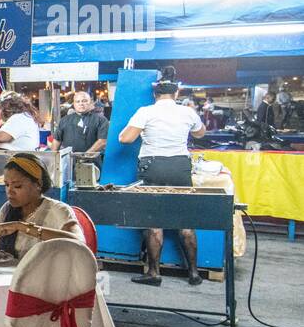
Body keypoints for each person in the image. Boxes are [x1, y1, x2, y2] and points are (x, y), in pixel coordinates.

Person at [118, 68, 206, 285]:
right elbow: (200, 133)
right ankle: (194, 273)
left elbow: (125, 139)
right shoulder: (187, 111)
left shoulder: (146, 111)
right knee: (185, 221)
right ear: (176, 94)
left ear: (155, 95)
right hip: (179, 166)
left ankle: (154, 273)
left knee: (154, 221)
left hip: (153, 166)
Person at [0, 153, 83, 260]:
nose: (10, 191)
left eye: (17, 186)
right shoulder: (8, 208)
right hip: (11, 278)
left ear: (38, 184)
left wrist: (23, 227)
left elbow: (79, 243)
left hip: (46, 282)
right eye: (6, 185)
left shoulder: (58, 210)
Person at [48, 90, 110, 155]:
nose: (81, 104)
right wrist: (53, 158)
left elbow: (103, 141)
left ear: (91, 102)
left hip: (92, 161)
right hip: (69, 161)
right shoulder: (64, 120)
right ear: (74, 104)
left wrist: (85, 155)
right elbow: (56, 141)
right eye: (78, 101)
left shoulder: (101, 120)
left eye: (84, 101)